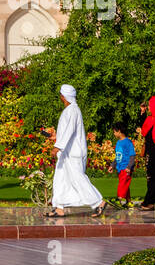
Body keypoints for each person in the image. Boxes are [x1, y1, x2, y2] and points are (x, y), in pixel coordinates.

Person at [49, 84, 107, 217]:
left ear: (63, 96)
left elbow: (70, 131)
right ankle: (59, 207)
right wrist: (56, 138)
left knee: (78, 179)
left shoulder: (73, 110)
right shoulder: (70, 110)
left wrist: (58, 146)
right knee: (60, 179)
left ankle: (98, 202)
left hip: (73, 153)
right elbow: (67, 132)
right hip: (66, 153)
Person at [112, 124, 136, 208]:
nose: (114, 133)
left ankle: (119, 199)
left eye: (114, 132)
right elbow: (117, 156)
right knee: (125, 184)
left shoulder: (128, 142)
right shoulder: (118, 142)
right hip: (120, 168)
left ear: (119, 131)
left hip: (126, 168)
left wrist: (129, 167)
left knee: (122, 183)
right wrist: (112, 166)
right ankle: (129, 202)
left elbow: (132, 155)